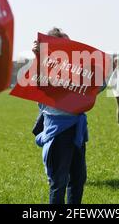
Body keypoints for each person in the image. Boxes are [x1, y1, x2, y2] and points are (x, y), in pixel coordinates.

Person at [31, 27, 102, 204]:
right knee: (59, 183)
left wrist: (100, 70)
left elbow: (98, 87)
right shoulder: (44, 69)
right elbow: (39, 84)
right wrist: (39, 57)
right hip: (58, 132)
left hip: (77, 130)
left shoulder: (77, 71)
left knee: (78, 179)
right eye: (65, 44)